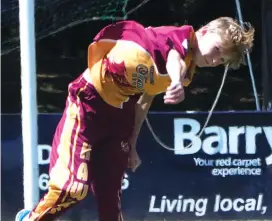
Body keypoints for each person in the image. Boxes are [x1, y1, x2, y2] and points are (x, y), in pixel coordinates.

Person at [15, 16, 254, 221]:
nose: (215, 61)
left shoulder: (188, 71)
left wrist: (131, 143)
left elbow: (145, 98)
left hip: (120, 115)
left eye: (222, 61)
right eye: (217, 50)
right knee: (73, 189)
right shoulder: (179, 38)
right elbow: (174, 58)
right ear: (203, 32)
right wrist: (176, 81)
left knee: (111, 201)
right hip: (89, 103)